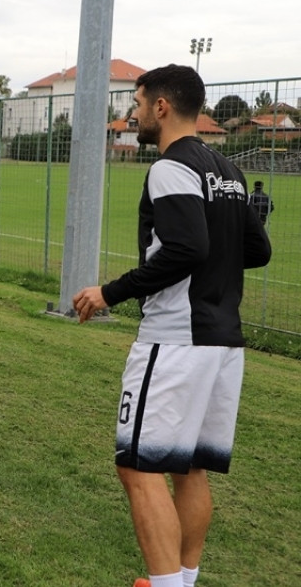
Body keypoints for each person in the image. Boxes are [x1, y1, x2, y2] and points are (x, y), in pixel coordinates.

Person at [71, 64, 271, 587]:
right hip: (223, 342)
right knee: (191, 467)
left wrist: (108, 292)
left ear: (161, 106)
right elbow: (257, 249)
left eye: (137, 103)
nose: (133, 114)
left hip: (176, 340)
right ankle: (183, 578)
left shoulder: (169, 167)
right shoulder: (227, 171)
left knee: (138, 466)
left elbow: (186, 248)